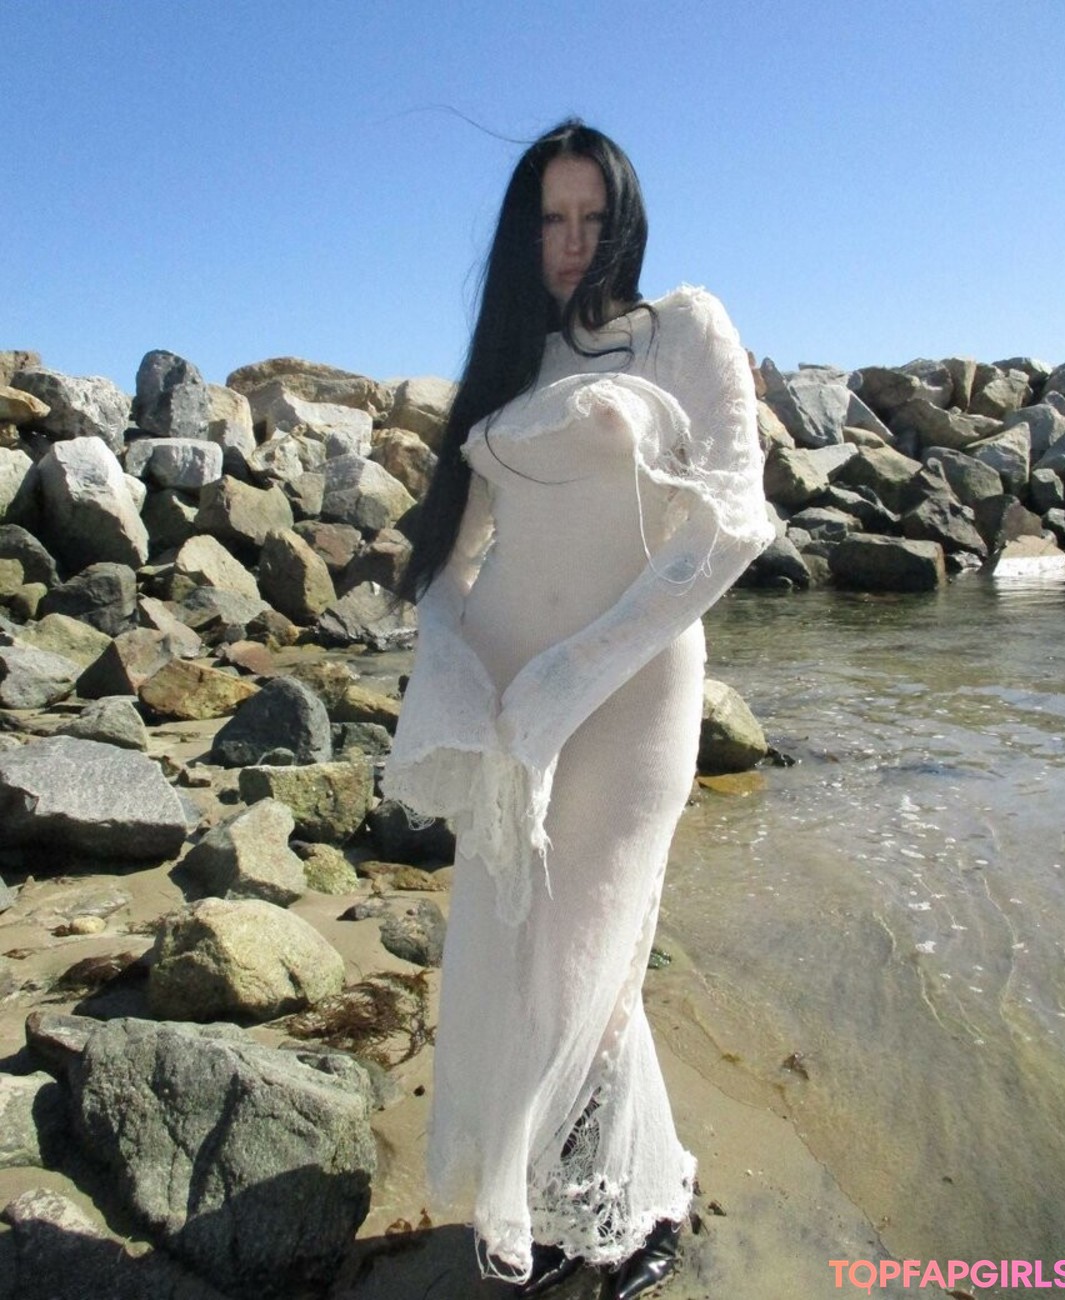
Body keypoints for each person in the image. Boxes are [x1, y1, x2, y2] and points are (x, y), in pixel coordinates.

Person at [383, 119, 773, 1298]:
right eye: (551, 220)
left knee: (588, 954)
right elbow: (453, 560)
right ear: (523, 230)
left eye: (594, 219)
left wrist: (577, 671)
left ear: (626, 224)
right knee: (519, 955)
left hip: (631, 692)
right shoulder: (510, 364)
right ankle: (584, 1199)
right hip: (512, 703)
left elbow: (730, 524)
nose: (573, 243)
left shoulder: (681, 330)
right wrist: (456, 669)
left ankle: (628, 1214)